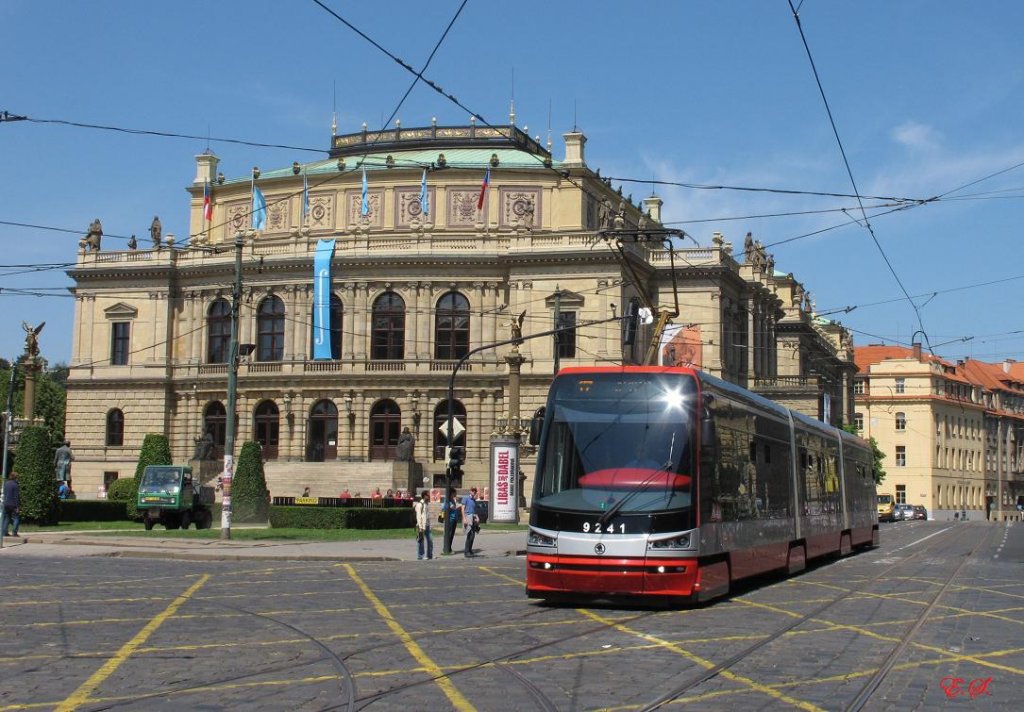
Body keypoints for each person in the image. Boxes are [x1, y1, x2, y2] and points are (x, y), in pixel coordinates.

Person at [413, 489, 434, 560]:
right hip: (421, 526)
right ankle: (420, 555)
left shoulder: (427, 504)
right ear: (425, 496)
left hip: (427, 525)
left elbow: (427, 516)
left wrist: (430, 525)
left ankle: (429, 555)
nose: (429, 497)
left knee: (430, 540)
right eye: (428, 495)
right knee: (421, 541)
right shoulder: (420, 504)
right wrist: (420, 527)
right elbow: (418, 517)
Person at [461, 487, 479, 558]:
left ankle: (470, 550)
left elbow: (474, 510)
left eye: (475, 491)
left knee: (473, 535)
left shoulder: (474, 500)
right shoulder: (465, 498)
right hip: (467, 516)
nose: (474, 492)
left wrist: (477, 517)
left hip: (473, 517)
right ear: (470, 491)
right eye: (473, 491)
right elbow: (462, 509)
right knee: (469, 534)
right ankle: (466, 552)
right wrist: (464, 519)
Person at [441, 487, 460, 555]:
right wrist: (449, 506)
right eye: (455, 493)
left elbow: (454, 508)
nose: (456, 494)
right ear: (451, 493)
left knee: (451, 534)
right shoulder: (447, 500)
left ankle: (449, 548)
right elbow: (443, 507)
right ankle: (446, 548)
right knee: (448, 534)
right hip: (449, 520)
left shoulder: (452, 499)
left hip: (454, 519)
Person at [2, 473, 20, 537]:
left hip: (6, 503)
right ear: (15, 477)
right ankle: (14, 533)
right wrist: (18, 506)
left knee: (7, 518)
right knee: (16, 517)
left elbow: (4, 493)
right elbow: (16, 496)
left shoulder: (6, 484)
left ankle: (4, 532)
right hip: (13, 504)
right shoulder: (15, 485)